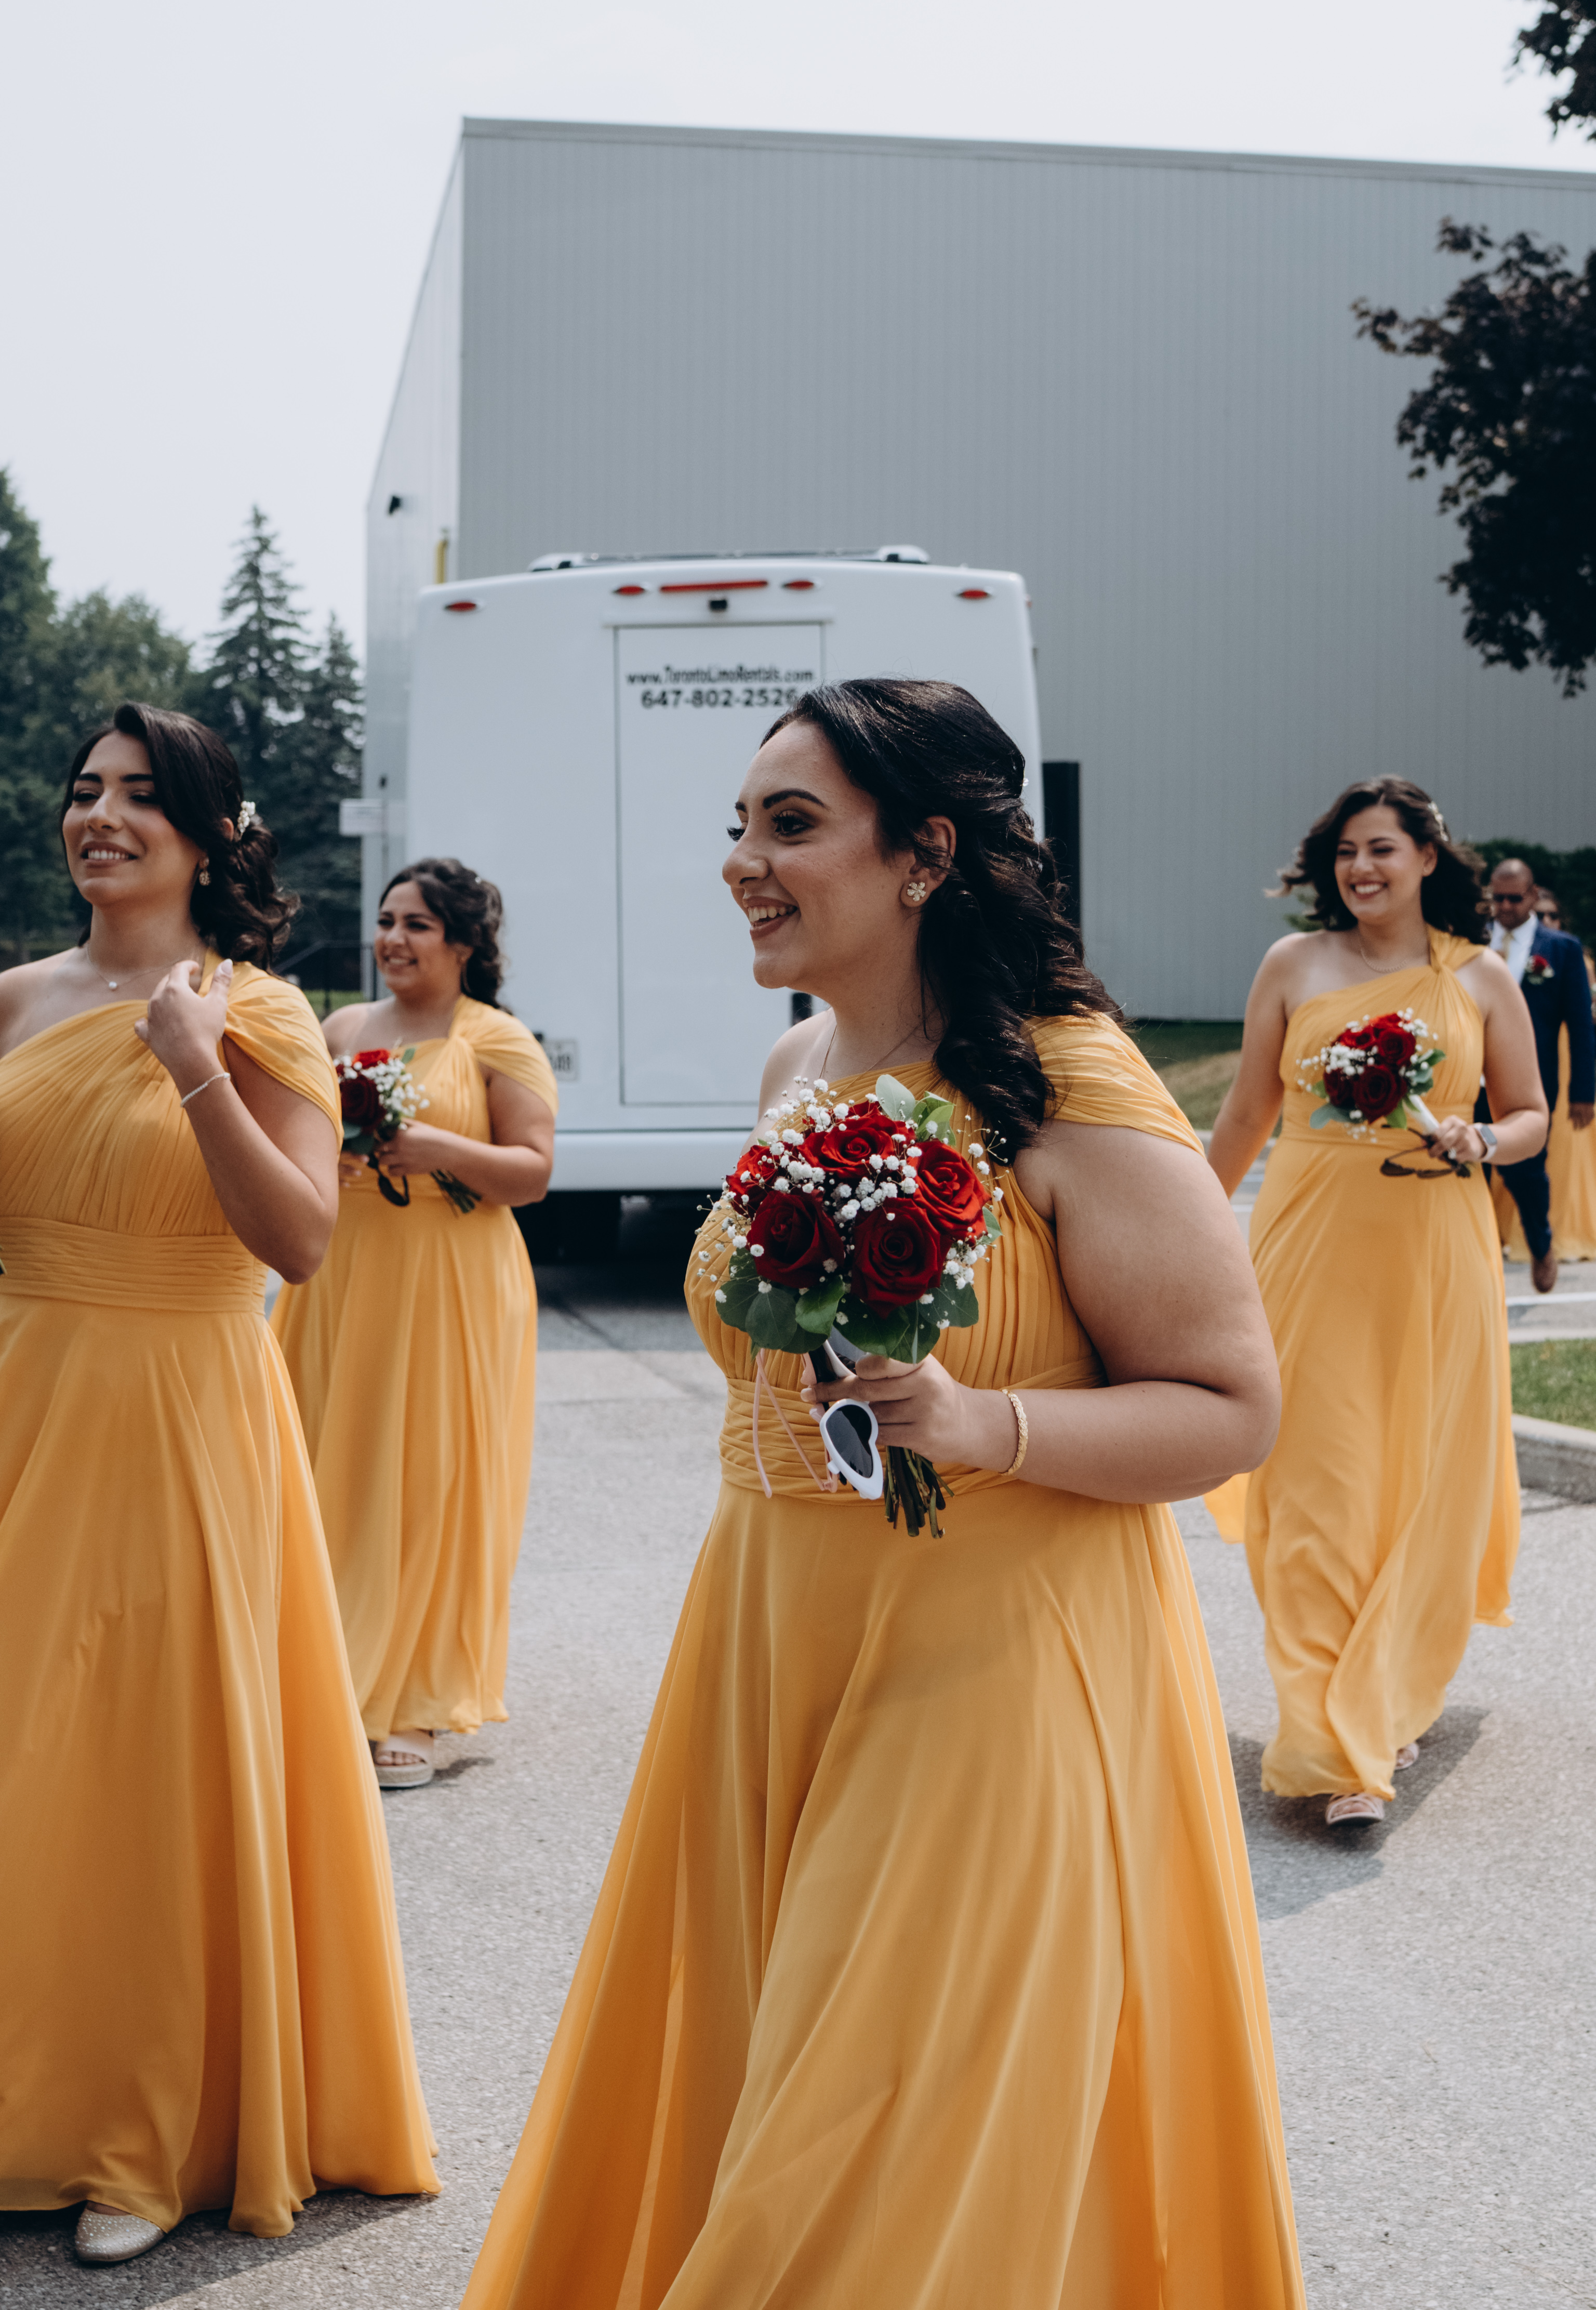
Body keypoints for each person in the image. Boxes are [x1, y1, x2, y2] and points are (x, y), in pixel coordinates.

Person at [462, 680, 1305, 2309]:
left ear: (924, 856)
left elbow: (1233, 1407)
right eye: (739, 825)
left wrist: (986, 1424)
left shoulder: (1066, 1079)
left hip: (996, 1661)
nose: (743, 861)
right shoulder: (799, 1061)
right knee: (783, 2074)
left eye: (791, 825)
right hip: (771, 1639)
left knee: (861, 2139)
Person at [0, 704, 437, 2267]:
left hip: (183, 1414)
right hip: (23, 1396)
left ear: (206, 835)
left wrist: (194, 1069)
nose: (99, 816)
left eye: (140, 795)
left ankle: (141, 2134)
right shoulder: (15, 999)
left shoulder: (258, 1011)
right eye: (84, 790)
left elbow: (302, 1241)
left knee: (141, 1761)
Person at [1207, 777, 1545, 1829]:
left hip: (1435, 1256)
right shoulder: (1291, 965)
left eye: (1382, 849)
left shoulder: (1479, 976)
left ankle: (1385, 1698)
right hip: (1308, 1251)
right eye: (1347, 851)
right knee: (1316, 1486)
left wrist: (1481, 1138)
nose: (1361, 868)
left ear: (1427, 859)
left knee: (1416, 1486)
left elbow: (1529, 1113)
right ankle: (1335, 1745)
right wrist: (1184, 1231)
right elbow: (1246, 1113)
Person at [272, 859, 557, 1788]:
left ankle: (415, 1701)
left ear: (463, 944)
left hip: (452, 1278)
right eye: (387, 920)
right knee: (330, 1469)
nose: (392, 938)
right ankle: (318, 1681)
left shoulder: (495, 1038)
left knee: (433, 1478)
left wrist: (437, 1147)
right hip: (344, 1273)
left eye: (417, 925)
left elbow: (533, 1172)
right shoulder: (342, 1029)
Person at [1480, 858, 1595, 1293]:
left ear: (1532, 896)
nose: (1506, 907)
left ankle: (1541, 1242)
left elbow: (1580, 1026)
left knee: (1526, 1172)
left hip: (1529, 1080)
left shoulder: (1561, 948)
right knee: (1465, 1166)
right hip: (1470, 1080)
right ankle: (1477, 1252)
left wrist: (1583, 1091)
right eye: (1498, 898)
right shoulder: (1472, 940)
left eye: (1515, 898)